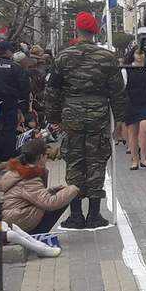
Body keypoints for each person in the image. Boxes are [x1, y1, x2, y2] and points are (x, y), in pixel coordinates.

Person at [44, 13, 126, 229]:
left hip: (72, 113)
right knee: (96, 161)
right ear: (96, 31)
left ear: (76, 30)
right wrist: (120, 119)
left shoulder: (63, 57)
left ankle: (76, 214)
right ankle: (95, 214)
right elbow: (117, 91)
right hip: (98, 113)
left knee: (74, 160)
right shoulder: (107, 57)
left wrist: (54, 117)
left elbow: (52, 91)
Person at [0, 137, 79, 235]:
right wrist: (74, 188)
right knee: (62, 199)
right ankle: (35, 234)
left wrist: (51, 190)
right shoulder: (29, 177)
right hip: (18, 220)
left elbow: (30, 195)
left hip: (11, 218)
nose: (47, 159)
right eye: (46, 155)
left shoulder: (19, 171)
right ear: (41, 157)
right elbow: (49, 203)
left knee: (59, 195)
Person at [122, 46, 146, 170]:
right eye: (137, 53)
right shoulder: (126, 69)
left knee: (145, 129)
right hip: (131, 103)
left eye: (142, 53)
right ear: (132, 55)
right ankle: (135, 159)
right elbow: (122, 87)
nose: (139, 56)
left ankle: (144, 158)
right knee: (132, 132)